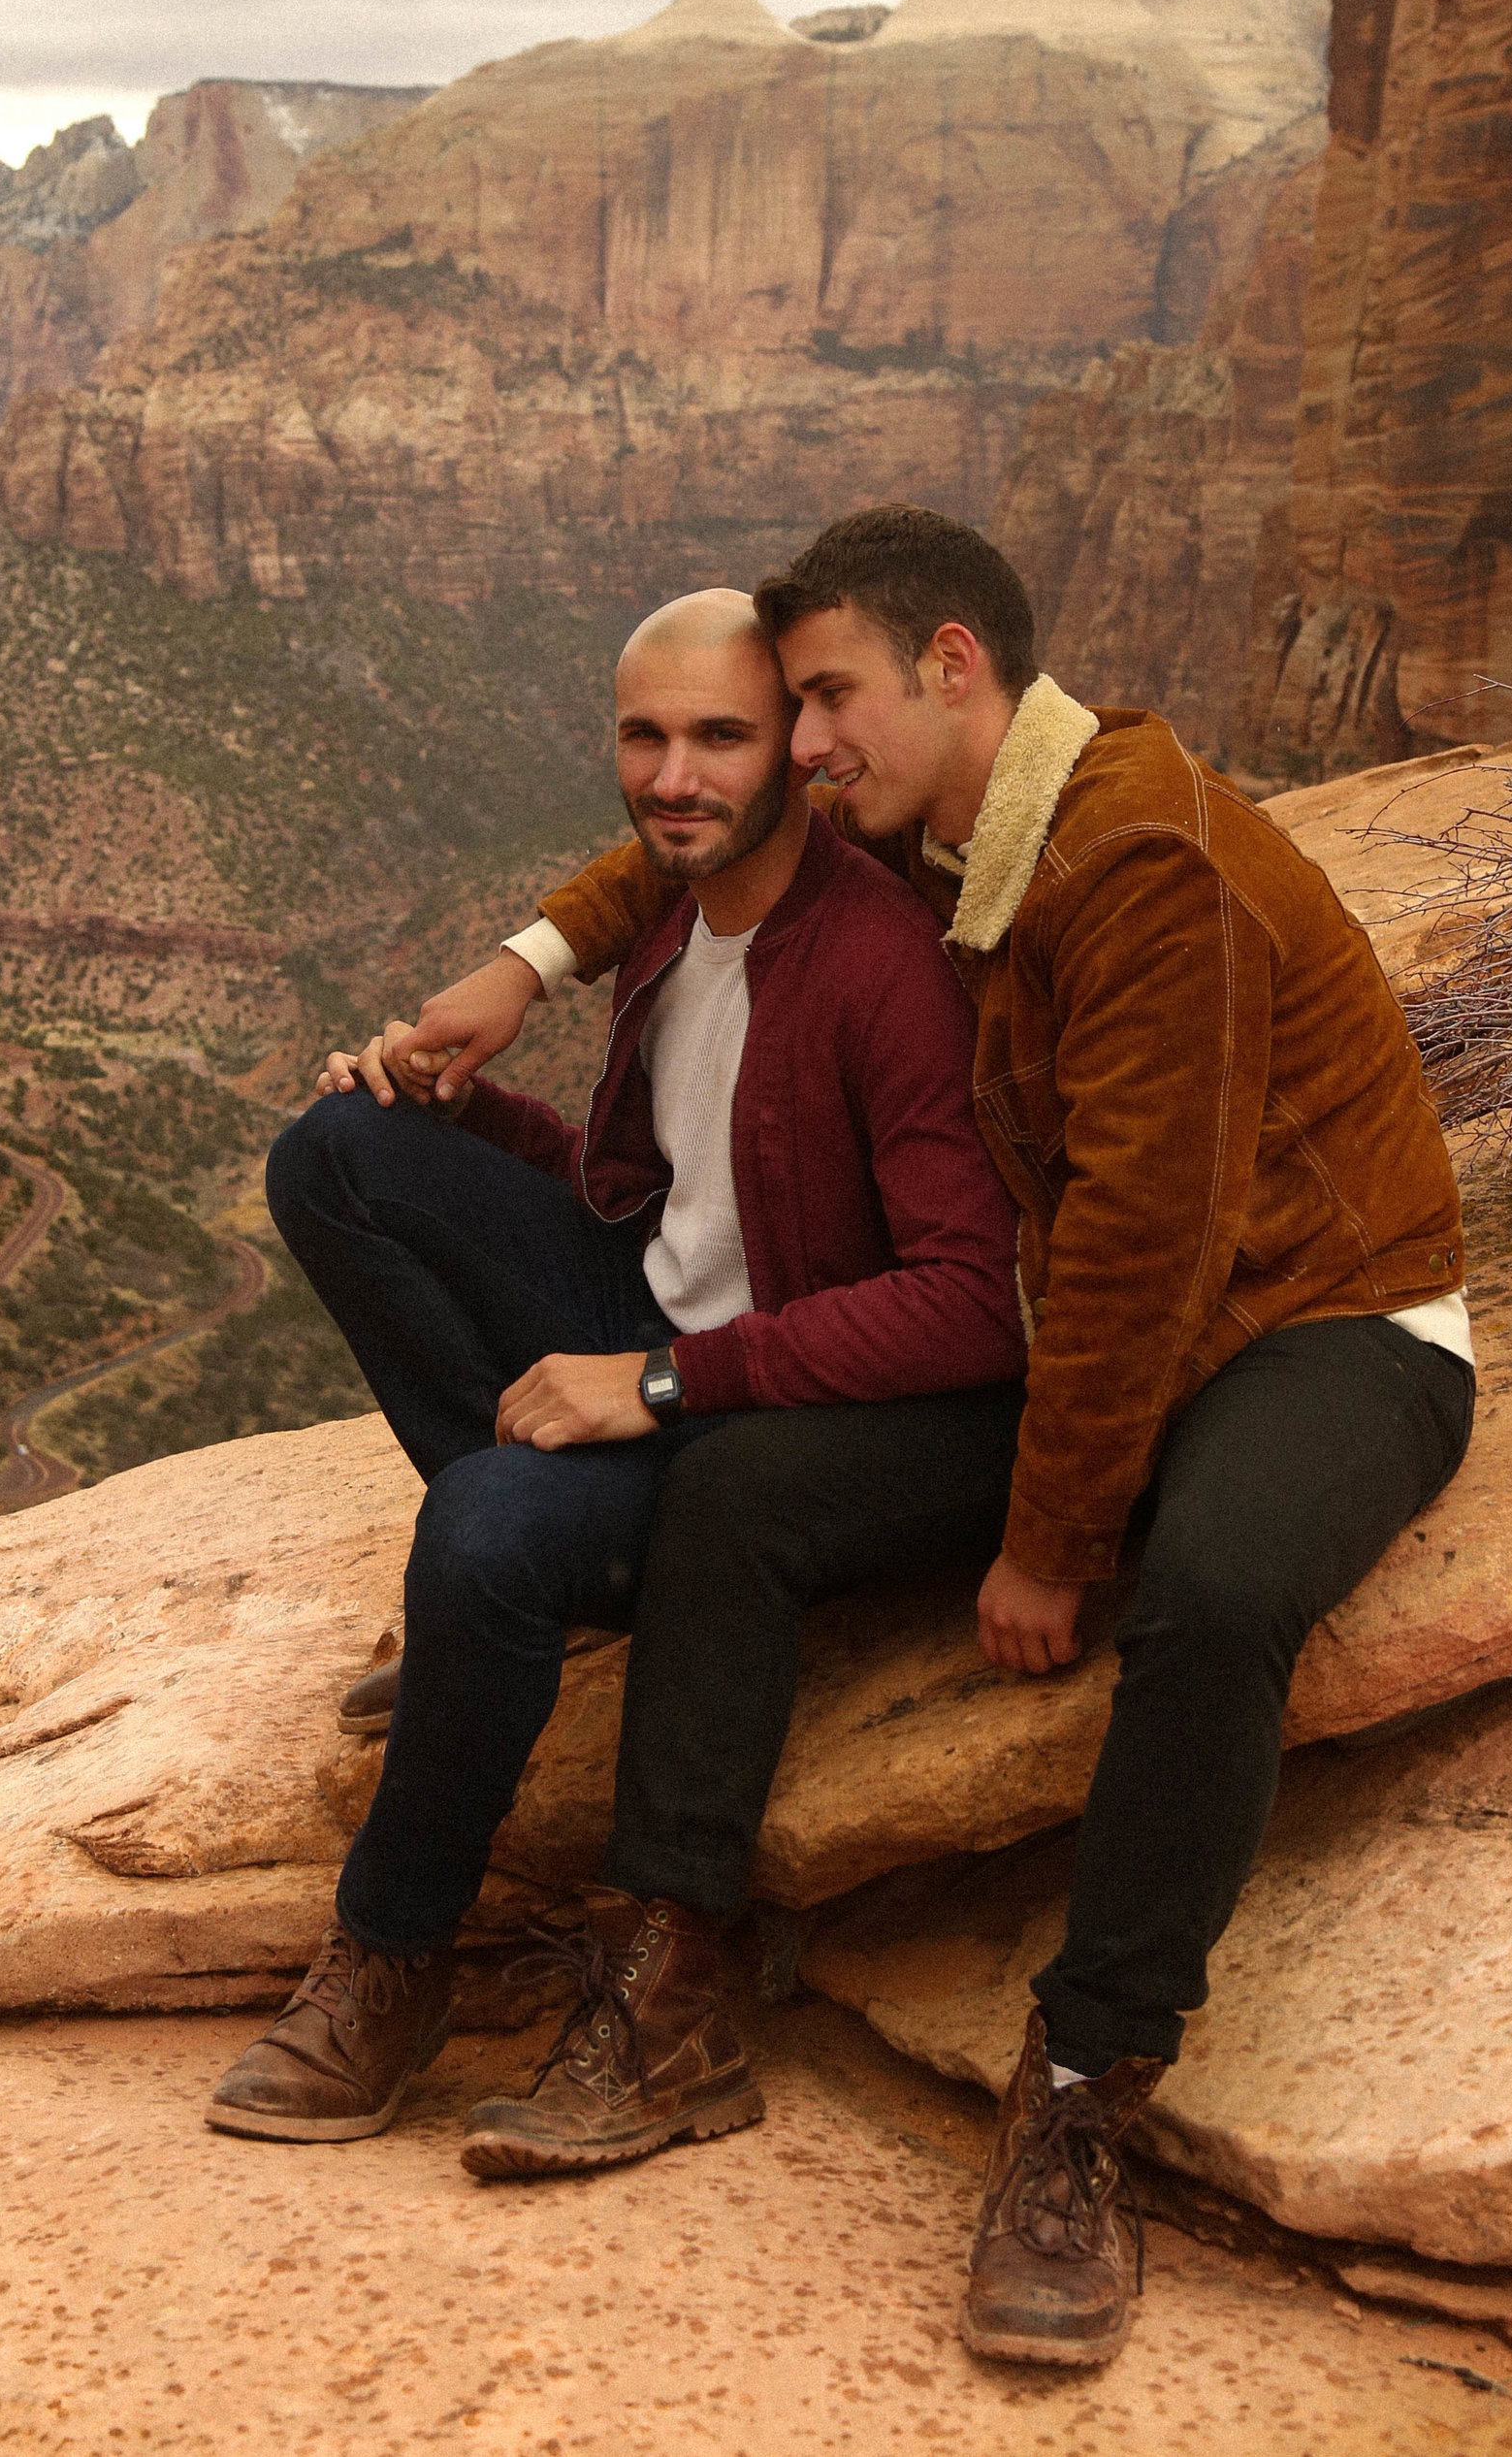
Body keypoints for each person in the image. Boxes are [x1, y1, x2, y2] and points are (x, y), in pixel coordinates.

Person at [390, 505, 1473, 2369]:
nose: (798, 747)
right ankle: (674, 1987)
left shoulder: (1139, 863)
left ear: (949, 667)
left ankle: (1082, 2083)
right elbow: (690, 841)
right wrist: (533, 956)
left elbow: (1147, 1241)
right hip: (1099, 1344)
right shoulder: (987, 815)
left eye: (822, 704)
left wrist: (1052, 1541)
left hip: (1323, 1324)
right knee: (737, 1486)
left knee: (1207, 1594)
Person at [206, 586, 1027, 2174]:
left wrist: (653, 1385)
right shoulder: (675, 906)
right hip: (646, 1307)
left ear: (795, 741)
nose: (675, 776)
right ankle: (502, 1601)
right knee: (334, 1152)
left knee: (491, 1530)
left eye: (721, 735)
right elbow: (663, 1191)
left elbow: (965, 1302)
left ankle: (391, 1952)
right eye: (644, 736)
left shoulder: (879, 965)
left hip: (761, 1405)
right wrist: (459, 1105)